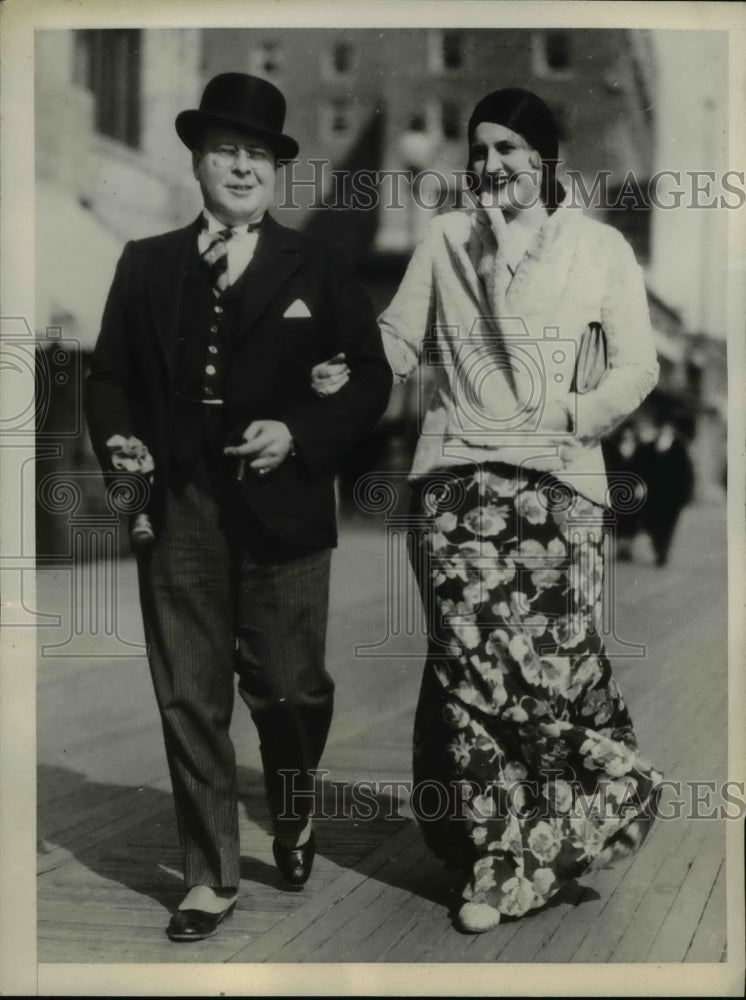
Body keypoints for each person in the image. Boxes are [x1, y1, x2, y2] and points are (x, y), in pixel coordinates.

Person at [313, 89, 663, 934]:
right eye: (481, 151)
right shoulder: (443, 241)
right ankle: (501, 858)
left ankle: (598, 800)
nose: (492, 165)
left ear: (546, 160)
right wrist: (351, 367)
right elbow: (398, 338)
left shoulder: (600, 247)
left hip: (560, 486)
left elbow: (639, 367)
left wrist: (573, 417)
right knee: (469, 679)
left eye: (509, 149)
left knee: (551, 674)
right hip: (459, 485)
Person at [85, 73, 392, 942]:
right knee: (189, 695)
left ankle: (292, 808)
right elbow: (107, 378)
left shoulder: (320, 266)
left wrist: (297, 430)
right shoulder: (145, 263)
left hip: (286, 515)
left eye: (258, 154)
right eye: (226, 151)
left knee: (292, 692)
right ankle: (211, 874)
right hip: (178, 510)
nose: (243, 167)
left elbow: (369, 382)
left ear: (278, 170)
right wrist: (120, 443)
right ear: (197, 161)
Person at [637, 419, 695, 566]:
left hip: (672, 495)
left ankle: (662, 552)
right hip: (653, 494)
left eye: (667, 427)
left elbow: (686, 473)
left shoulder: (679, 447)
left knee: (668, 525)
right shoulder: (650, 447)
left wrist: (686, 494)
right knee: (652, 523)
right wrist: (639, 485)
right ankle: (658, 549)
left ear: (672, 429)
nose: (664, 430)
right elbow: (641, 468)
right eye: (662, 427)